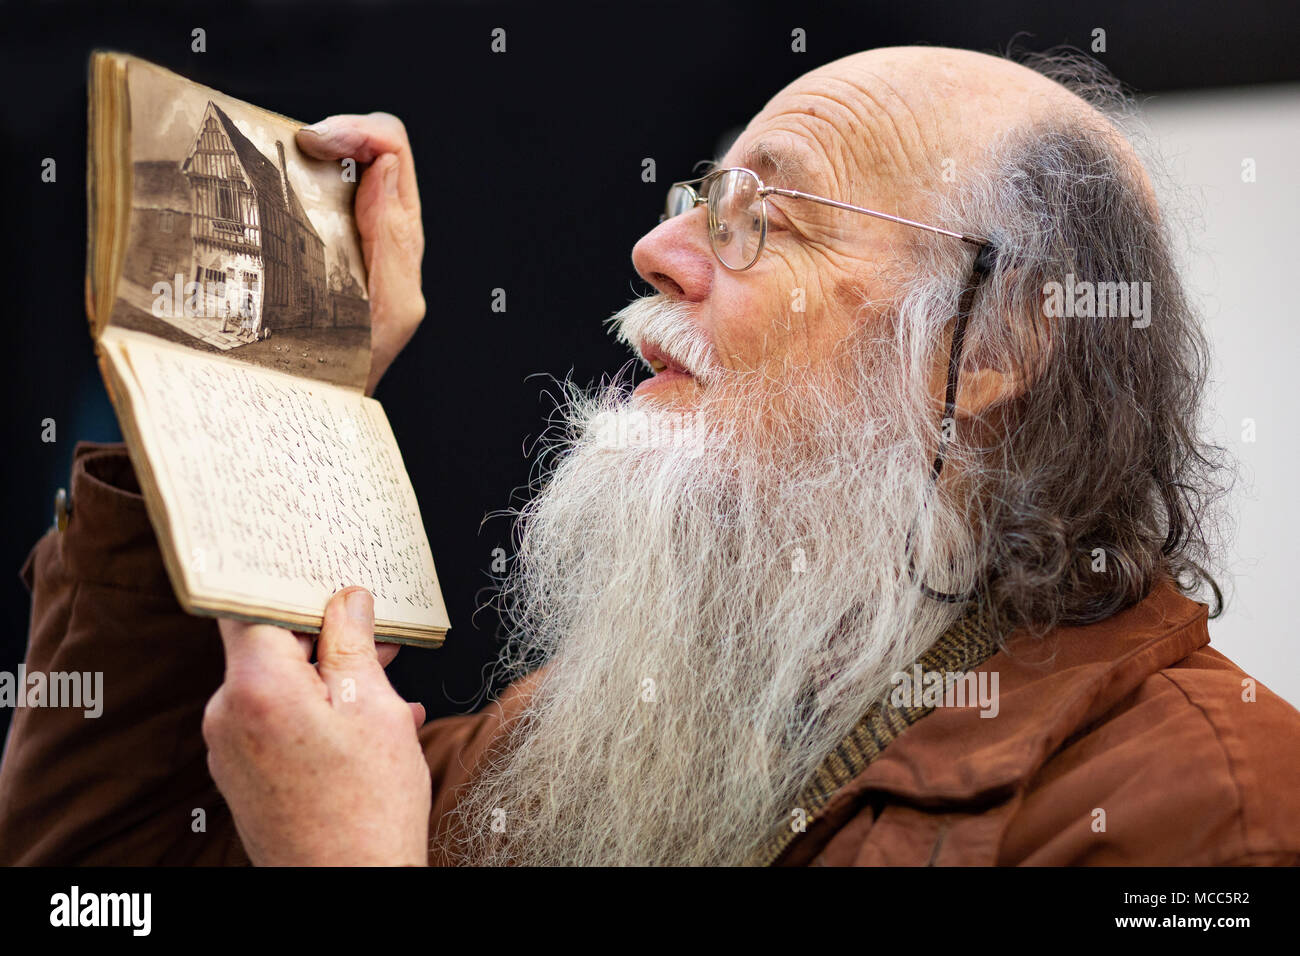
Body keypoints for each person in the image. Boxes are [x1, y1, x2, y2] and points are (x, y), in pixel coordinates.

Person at [2, 46, 1298, 866]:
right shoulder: (582, 734)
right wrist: (266, 388)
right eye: (696, 205)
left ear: (999, 338)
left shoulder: (1204, 804)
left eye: (765, 220)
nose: (659, 252)